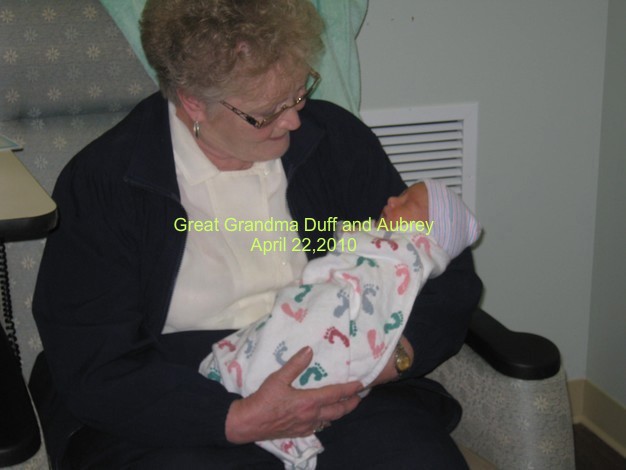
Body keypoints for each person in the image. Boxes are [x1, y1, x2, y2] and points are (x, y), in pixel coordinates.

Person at [30, 0, 482, 468]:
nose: (294, 120)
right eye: (267, 112)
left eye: (299, 92)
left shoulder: (334, 141)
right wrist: (238, 418)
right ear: (193, 102)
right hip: (183, 400)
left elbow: (441, 266)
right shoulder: (105, 183)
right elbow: (94, 358)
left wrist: (389, 357)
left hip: (341, 384)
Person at [200, 179, 481, 468]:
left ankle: (260, 387)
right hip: (200, 361)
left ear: (429, 234)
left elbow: (456, 285)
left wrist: (388, 357)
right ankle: (253, 390)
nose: (391, 201)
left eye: (407, 202)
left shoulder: (409, 251)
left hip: (350, 367)